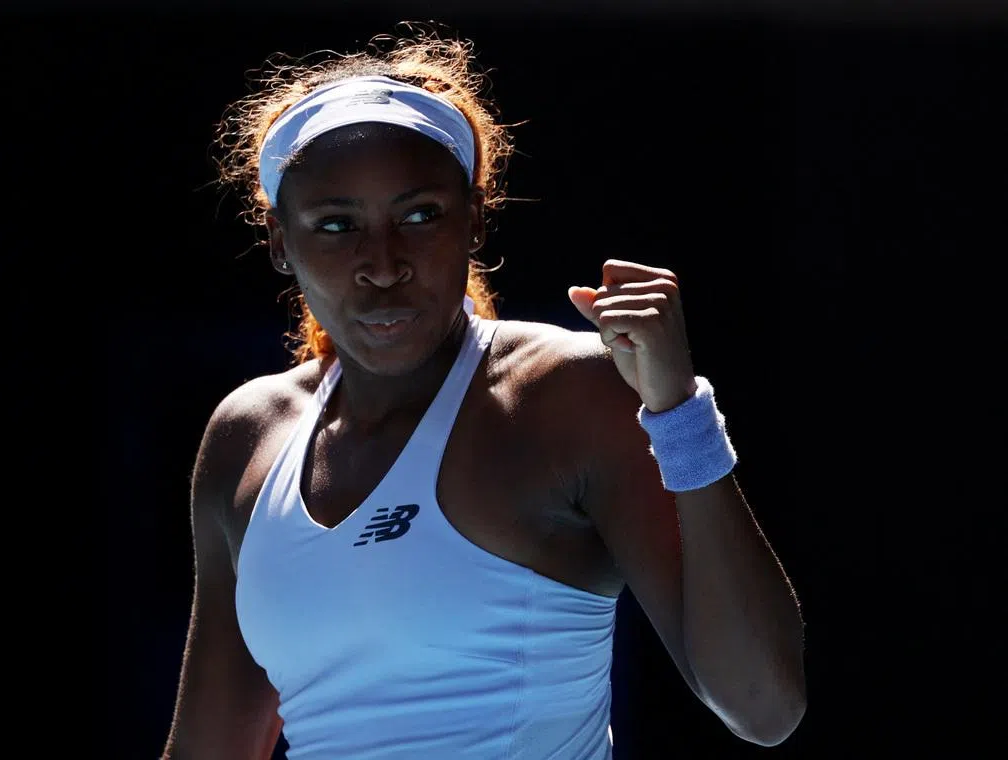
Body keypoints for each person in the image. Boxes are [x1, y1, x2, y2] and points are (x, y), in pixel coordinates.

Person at [162, 23, 807, 760]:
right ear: (281, 241)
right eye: (336, 226)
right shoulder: (246, 434)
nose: (382, 263)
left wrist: (678, 411)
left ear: (473, 215)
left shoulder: (571, 394)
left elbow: (764, 708)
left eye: (420, 216)